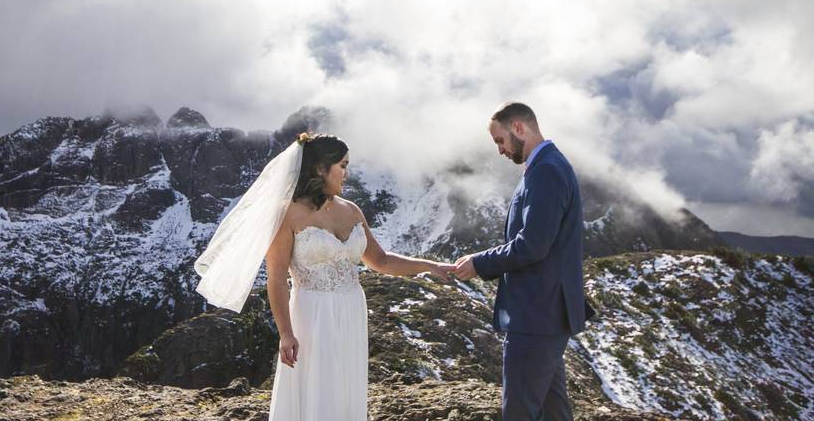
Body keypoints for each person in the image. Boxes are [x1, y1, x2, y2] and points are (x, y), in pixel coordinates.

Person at [195, 133, 454, 421]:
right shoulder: (288, 215)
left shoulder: (351, 210)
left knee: (345, 391)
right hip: (312, 314)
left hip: (352, 311)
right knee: (317, 392)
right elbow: (277, 278)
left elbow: (380, 261)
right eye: (342, 165)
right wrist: (286, 333)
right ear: (321, 168)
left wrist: (429, 266)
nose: (347, 172)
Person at [454, 102, 594, 421]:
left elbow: (533, 245)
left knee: (519, 411)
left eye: (500, 141)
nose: (500, 150)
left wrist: (479, 262)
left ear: (519, 128)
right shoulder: (545, 165)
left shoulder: (546, 170)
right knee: (552, 410)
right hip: (545, 313)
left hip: (537, 314)